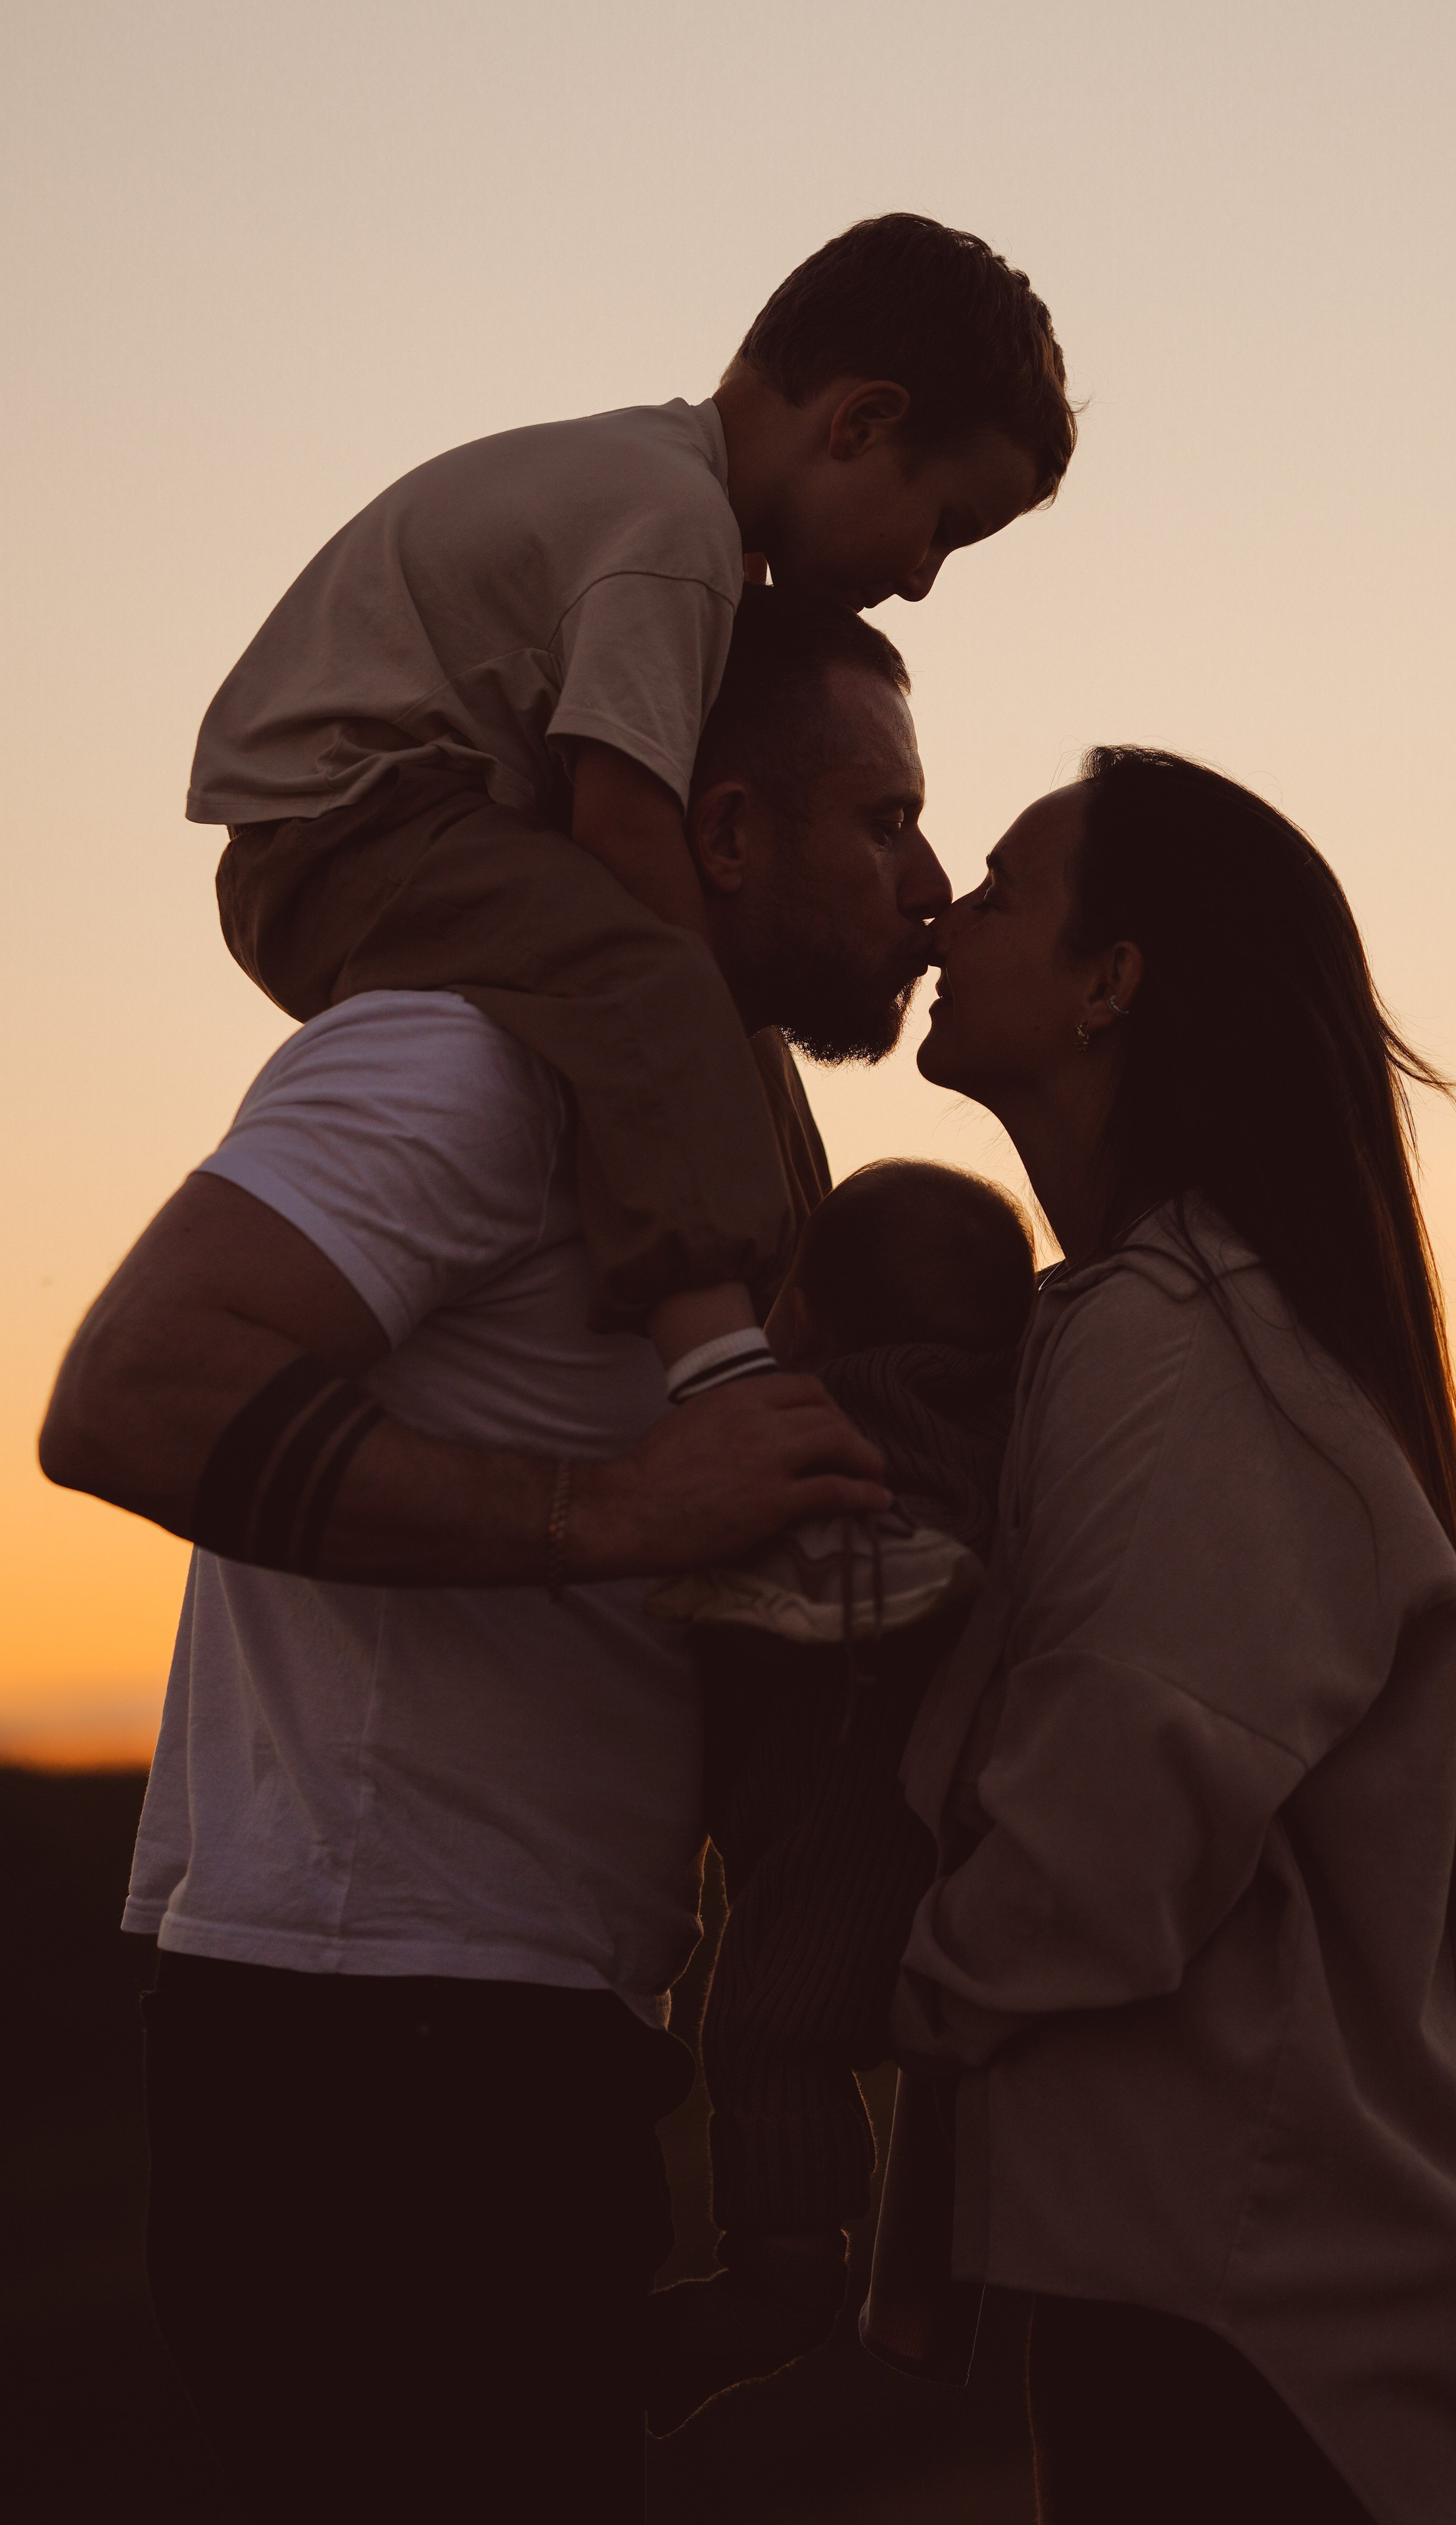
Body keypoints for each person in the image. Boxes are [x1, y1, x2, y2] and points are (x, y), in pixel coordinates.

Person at [37, 589, 946, 2525]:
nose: (932, 885)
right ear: (720, 833)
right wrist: (614, 1516)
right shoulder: (460, 1054)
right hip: (372, 2057)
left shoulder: (716, 1115)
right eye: (884, 822)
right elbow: (126, 1393)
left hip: (522, 2035)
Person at [866, 748, 1456, 2524]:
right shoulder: (1176, 1321)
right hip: (1258, 2296)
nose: (949, 909)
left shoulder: (1182, 1339)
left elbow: (1114, 1828)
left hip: (1260, 2332)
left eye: (1009, 891)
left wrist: (886, 1993)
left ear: (1116, 983)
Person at [194, 212, 1073, 1592]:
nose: (918, 575)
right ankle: (726, 1393)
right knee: (658, 992)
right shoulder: (671, 532)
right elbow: (619, 814)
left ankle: (802, 1367)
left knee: (716, 1035)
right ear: (860, 421)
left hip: (409, 821)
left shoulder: (678, 516)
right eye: (942, 525)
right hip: (342, 831)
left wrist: (723, 1066)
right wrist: (689, 1035)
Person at [644, 1161, 1037, 2434]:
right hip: (950, 1847)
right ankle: (905, 2289)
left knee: (767, 2028)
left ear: (801, 1314)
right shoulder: (1010, 1432)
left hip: (830, 1825)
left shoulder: (811, 1427)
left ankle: (780, 2285)